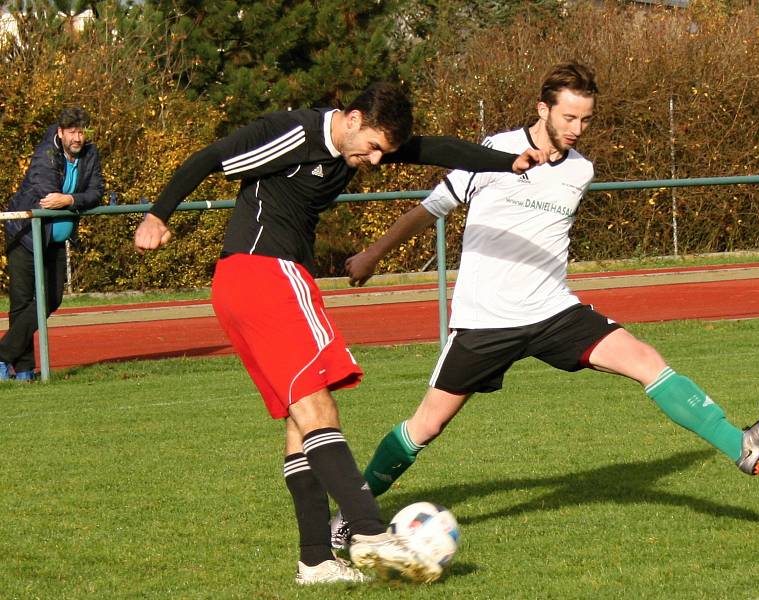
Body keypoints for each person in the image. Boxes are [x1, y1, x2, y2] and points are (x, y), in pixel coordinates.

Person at [332, 62, 759, 548]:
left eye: (586, 120)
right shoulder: (492, 151)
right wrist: (373, 254)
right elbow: (428, 210)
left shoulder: (581, 171)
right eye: (568, 117)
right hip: (485, 321)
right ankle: (350, 517)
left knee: (646, 360)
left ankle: (740, 445)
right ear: (542, 109)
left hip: (553, 312)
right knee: (427, 424)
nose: (576, 129)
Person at [133, 82, 543, 585]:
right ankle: (369, 532)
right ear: (351, 118)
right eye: (371, 146)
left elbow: (433, 148)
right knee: (318, 408)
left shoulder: (358, 146)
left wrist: (507, 162)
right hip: (265, 274)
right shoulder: (293, 131)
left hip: (254, 280)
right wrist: (157, 215)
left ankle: (316, 561)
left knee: (301, 419)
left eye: (383, 153)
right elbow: (210, 156)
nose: (373, 160)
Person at [0, 107, 104, 382]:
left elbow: (96, 192)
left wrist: (70, 200)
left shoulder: (91, 154)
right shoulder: (46, 154)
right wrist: (66, 198)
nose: (77, 137)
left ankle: (2, 355)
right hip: (25, 234)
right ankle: (23, 371)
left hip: (54, 240)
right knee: (22, 303)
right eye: (72, 132)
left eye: (81, 131)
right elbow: (47, 194)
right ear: (60, 133)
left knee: (51, 298)